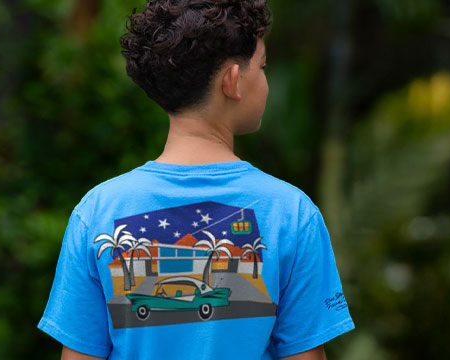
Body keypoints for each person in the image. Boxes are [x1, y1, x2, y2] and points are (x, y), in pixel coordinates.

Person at [37, 0, 351, 359]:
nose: (265, 78)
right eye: (262, 66)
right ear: (232, 81)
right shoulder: (292, 213)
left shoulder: (97, 211)